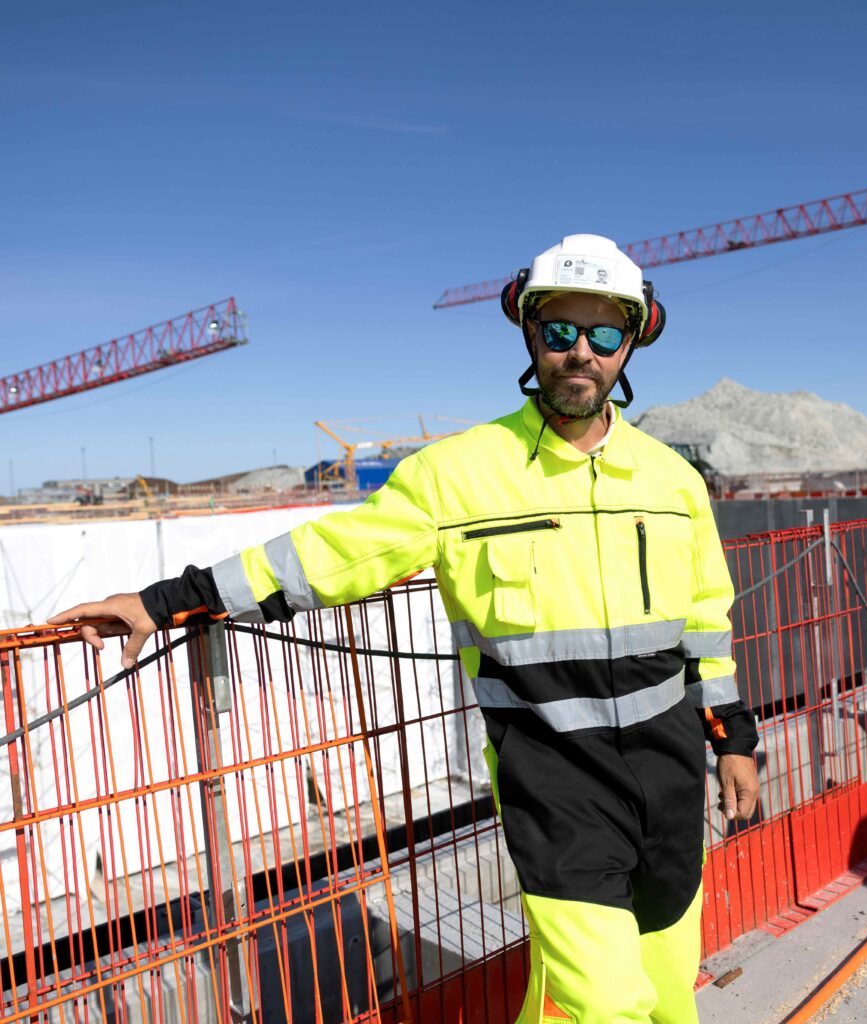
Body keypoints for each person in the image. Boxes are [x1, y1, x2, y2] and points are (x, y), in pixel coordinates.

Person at [52, 234, 760, 1024]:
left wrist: (733, 740)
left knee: (663, 994)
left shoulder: (673, 482)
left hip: (668, 781)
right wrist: (166, 599)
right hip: (555, 784)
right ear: (531, 334)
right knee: (604, 1004)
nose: (581, 353)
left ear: (634, 341)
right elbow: (325, 556)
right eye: (561, 330)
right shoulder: (456, 475)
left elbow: (706, 624)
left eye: (603, 334)